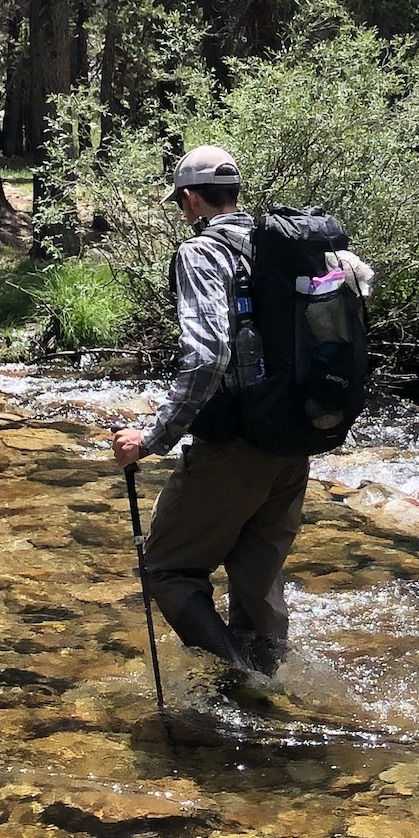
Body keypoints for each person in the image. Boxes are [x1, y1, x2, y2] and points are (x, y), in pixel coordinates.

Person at [110, 144, 304, 677]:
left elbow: (207, 354)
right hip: (293, 439)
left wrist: (153, 438)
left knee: (168, 570)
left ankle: (245, 684)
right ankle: (270, 693)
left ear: (191, 199)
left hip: (234, 443)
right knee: (256, 585)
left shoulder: (201, 254)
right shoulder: (280, 247)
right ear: (235, 194)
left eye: (181, 203)